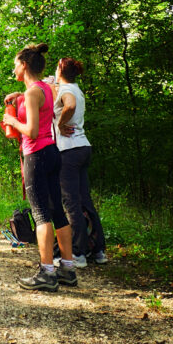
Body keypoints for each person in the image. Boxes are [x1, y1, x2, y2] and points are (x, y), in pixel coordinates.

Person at [3, 43, 77, 292]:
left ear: (24, 65)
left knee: (41, 215)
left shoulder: (34, 92)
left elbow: (32, 131)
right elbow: (41, 95)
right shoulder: (46, 87)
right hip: (53, 152)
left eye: (15, 64)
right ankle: (68, 269)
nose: (14, 68)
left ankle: (47, 273)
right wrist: (19, 96)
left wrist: (13, 120)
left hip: (36, 155)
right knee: (58, 213)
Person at [53, 57, 107, 266]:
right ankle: (98, 250)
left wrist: (59, 124)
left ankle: (78, 253)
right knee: (85, 200)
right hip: (83, 147)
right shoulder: (74, 87)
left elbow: (70, 105)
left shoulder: (67, 90)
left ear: (61, 69)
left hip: (69, 150)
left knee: (71, 203)